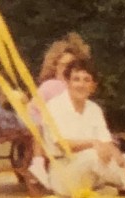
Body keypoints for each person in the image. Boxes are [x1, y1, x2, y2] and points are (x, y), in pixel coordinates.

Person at [42, 62, 125, 195]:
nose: (81, 85)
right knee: (92, 154)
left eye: (86, 80)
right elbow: (62, 144)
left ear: (93, 86)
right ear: (67, 83)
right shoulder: (55, 106)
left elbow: (107, 143)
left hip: (97, 173)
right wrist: (93, 143)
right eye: (76, 79)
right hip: (66, 174)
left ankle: (123, 179)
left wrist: (124, 163)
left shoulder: (94, 109)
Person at [27, 32, 93, 187]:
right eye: (62, 65)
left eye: (70, 66)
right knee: (41, 126)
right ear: (55, 66)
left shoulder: (75, 87)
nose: (65, 70)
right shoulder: (50, 85)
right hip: (45, 121)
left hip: (66, 122)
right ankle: (38, 162)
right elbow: (35, 107)